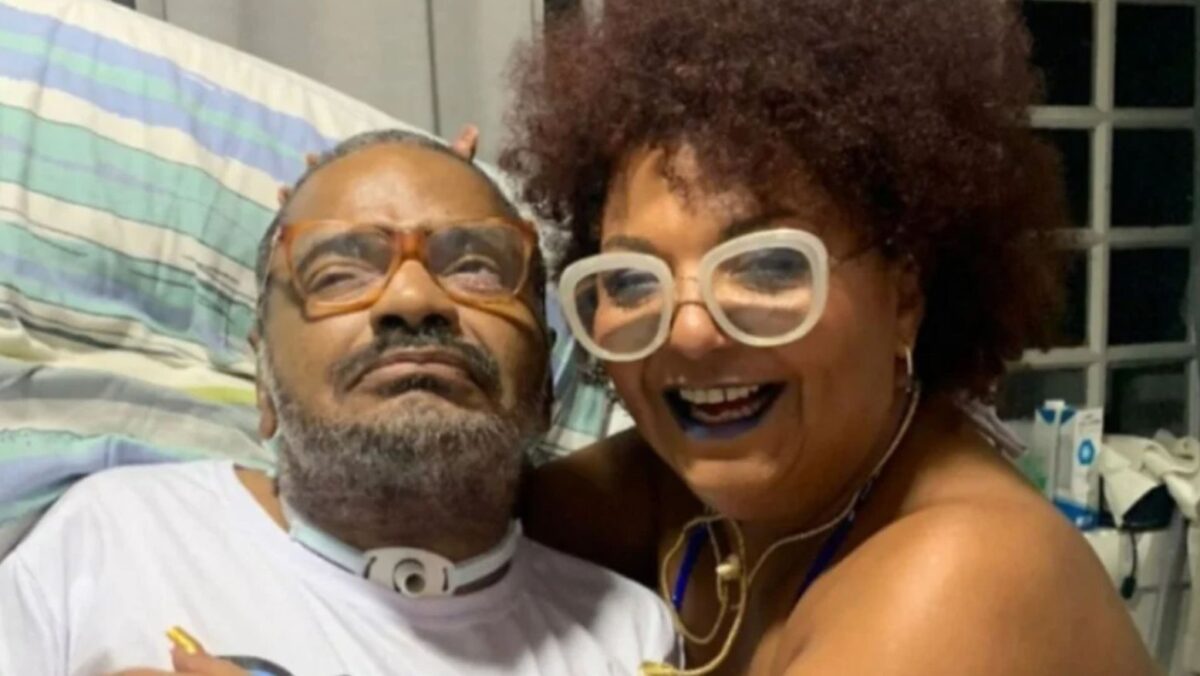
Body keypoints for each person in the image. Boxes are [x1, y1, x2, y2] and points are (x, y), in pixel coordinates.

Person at [502, 1, 1158, 674]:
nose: (690, 332)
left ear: (904, 296)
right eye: (632, 280)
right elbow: (467, 523)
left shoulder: (960, 577)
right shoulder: (684, 493)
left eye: (768, 265)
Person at [0, 129, 675, 676]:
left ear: (547, 385)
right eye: (339, 271)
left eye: (475, 267)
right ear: (263, 379)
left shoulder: (627, 634)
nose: (413, 298)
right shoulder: (113, 540)